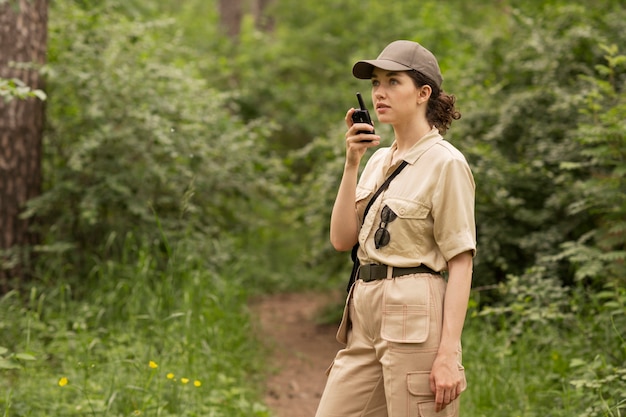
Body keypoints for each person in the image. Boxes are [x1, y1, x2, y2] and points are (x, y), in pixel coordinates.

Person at [315, 40, 476, 417]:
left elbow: (461, 262)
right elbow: (342, 240)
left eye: (392, 82)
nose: (379, 93)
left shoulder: (445, 163)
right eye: (375, 83)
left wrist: (449, 353)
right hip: (364, 311)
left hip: (414, 311)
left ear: (423, 93)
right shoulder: (377, 162)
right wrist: (352, 162)